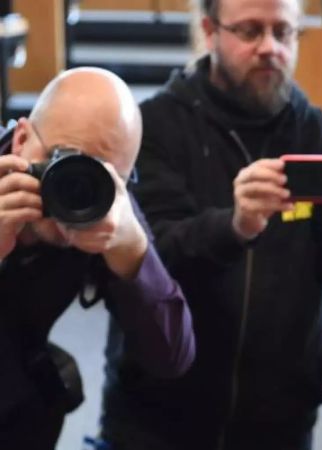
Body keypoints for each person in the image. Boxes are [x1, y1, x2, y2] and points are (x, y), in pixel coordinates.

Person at [100, 0, 322, 449]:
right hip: (155, 424)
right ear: (209, 30)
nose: (270, 48)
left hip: (281, 427)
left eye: (284, 32)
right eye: (249, 31)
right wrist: (234, 226)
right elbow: (145, 259)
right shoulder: (153, 128)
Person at [0, 68, 195, 449]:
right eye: (62, 158)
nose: (73, 184)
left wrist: (133, 251)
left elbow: (172, 356)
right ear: (21, 139)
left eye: (102, 172)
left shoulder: (103, 199)